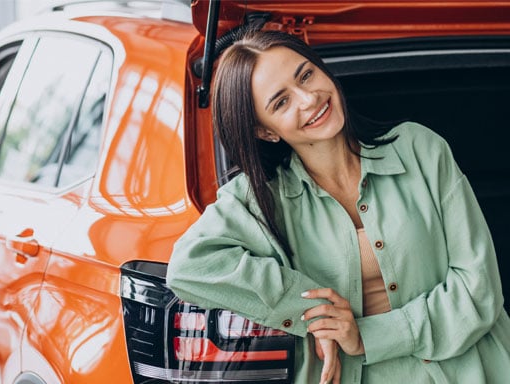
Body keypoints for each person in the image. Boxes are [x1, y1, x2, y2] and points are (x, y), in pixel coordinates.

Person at [166, 30, 510, 383]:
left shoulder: (420, 149)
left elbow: (478, 288)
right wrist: (311, 310)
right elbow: (188, 266)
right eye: (281, 102)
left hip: (477, 369)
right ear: (265, 131)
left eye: (306, 75)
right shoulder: (263, 200)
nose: (309, 98)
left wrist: (367, 336)